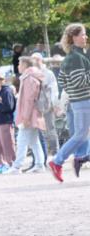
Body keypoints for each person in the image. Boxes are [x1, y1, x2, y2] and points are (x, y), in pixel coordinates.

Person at [48, 23, 90, 182]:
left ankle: (80, 157)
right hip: (83, 100)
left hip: (79, 101)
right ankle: (58, 161)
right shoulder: (77, 58)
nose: (85, 37)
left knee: (81, 134)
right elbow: (79, 81)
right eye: (82, 34)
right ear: (74, 37)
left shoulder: (72, 57)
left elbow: (62, 81)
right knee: (80, 134)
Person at [6, 56, 47, 175]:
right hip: (34, 114)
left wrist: (25, 117)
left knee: (21, 141)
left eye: (19, 64)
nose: (18, 66)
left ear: (25, 65)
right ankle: (39, 164)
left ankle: (17, 166)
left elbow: (29, 100)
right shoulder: (33, 76)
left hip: (29, 115)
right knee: (34, 141)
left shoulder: (29, 78)